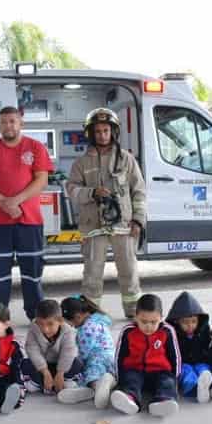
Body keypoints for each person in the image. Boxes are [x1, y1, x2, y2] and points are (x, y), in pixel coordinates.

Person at [66, 108, 147, 317]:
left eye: (106, 130)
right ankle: (90, 314)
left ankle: (133, 312)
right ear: (90, 134)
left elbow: (139, 191)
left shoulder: (126, 159)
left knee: (129, 271)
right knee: (92, 273)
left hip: (124, 227)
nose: (102, 135)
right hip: (94, 227)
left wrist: (138, 221)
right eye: (98, 131)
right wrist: (92, 192)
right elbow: (72, 190)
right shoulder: (81, 163)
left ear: (113, 132)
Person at [0, 106, 53, 321]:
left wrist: (16, 201)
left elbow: (42, 180)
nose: (8, 125)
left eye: (12, 121)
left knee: (32, 272)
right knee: (0, 273)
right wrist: (4, 203)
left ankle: (37, 315)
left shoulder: (36, 147)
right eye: (4, 122)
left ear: (21, 123)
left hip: (30, 220)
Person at [111, 294, 181, 417]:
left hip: (160, 371)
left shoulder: (167, 331)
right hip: (135, 370)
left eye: (153, 322)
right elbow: (119, 356)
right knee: (130, 380)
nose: (148, 326)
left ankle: (162, 402)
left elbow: (175, 355)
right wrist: (119, 378)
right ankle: (130, 400)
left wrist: (175, 378)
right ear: (136, 317)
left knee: (167, 383)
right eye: (144, 322)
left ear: (161, 318)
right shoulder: (128, 331)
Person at [61, 295, 117, 409]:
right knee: (108, 374)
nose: (71, 326)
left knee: (90, 375)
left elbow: (84, 354)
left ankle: (94, 388)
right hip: (111, 358)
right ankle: (108, 382)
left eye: (70, 323)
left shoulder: (85, 330)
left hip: (97, 359)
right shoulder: (97, 319)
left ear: (78, 317)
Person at [23, 299, 84, 400]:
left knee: (77, 363)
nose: (45, 329)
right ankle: (44, 384)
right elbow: (32, 350)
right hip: (42, 367)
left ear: (60, 321)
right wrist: (45, 372)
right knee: (25, 363)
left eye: (50, 324)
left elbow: (68, 353)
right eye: (41, 324)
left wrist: (60, 373)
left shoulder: (68, 331)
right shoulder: (33, 329)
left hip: (62, 367)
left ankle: (62, 383)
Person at [166, 291, 212, 402]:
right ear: (177, 321)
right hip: (183, 363)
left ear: (199, 320)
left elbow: (209, 346)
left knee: (204, 369)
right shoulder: (173, 334)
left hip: (200, 360)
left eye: (194, 321)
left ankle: (209, 385)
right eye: (185, 322)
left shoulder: (203, 330)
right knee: (187, 372)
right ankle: (195, 388)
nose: (190, 326)